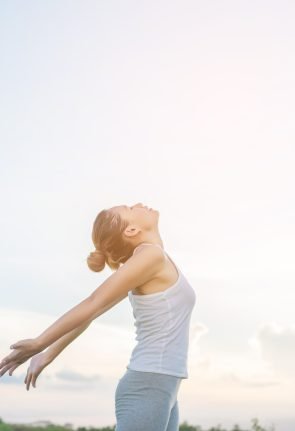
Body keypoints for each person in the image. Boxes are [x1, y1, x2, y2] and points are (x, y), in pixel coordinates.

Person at [0, 202, 196, 431]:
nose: (138, 204)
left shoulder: (151, 261)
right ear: (131, 230)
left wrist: (48, 354)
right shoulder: (150, 256)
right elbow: (94, 303)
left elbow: (93, 313)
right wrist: (39, 343)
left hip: (163, 385)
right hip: (149, 383)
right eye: (130, 209)